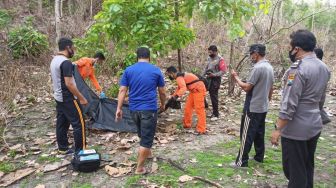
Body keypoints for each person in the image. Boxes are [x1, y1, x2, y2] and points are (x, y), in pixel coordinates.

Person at [271, 30, 330, 188]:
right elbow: (321, 99)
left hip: (296, 129)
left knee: (294, 171)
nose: (290, 50)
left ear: (297, 48)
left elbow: (290, 104)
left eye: (290, 46)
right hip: (314, 125)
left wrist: (278, 129)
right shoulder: (323, 67)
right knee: (307, 166)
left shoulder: (297, 70)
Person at [116, 47, 166, 175]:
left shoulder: (129, 70)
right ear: (149, 57)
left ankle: (147, 154)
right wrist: (163, 104)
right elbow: (162, 91)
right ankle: (139, 168)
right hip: (149, 109)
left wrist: (119, 108)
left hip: (134, 109)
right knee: (147, 138)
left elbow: (122, 90)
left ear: (137, 56)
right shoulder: (155, 70)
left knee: (142, 133)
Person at [231, 44, 274, 167]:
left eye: (251, 54)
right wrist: (267, 100)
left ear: (256, 53)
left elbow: (246, 88)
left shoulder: (258, 68)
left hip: (253, 106)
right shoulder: (269, 67)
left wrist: (236, 77)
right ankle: (259, 157)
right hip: (263, 106)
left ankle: (241, 161)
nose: (251, 57)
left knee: (246, 134)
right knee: (259, 133)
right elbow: (271, 87)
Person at [50, 37, 88, 154]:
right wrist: (81, 98)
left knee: (62, 122)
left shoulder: (55, 60)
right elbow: (69, 84)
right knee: (79, 123)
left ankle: (63, 148)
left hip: (58, 97)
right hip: (68, 98)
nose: (73, 50)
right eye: (73, 48)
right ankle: (81, 151)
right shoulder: (65, 62)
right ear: (68, 47)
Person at [166, 66, 207, 134]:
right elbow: (179, 88)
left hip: (198, 90)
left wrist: (175, 97)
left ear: (172, 73)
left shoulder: (179, 77)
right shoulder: (179, 77)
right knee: (188, 108)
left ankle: (201, 129)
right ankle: (187, 124)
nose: (169, 76)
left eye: (169, 75)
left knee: (199, 109)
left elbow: (183, 88)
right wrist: (173, 96)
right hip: (193, 91)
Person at [203, 45, 227, 120]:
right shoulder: (209, 58)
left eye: (211, 52)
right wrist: (202, 76)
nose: (209, 53)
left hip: (215, 80)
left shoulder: (220, 59)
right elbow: (206, 68)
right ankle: (206, 107)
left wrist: (214, 75)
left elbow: (223, 71)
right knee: (202, 92)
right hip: (208, 78)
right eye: (208, 52)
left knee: (214, 97)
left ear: (215, 52)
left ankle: (216, 113)